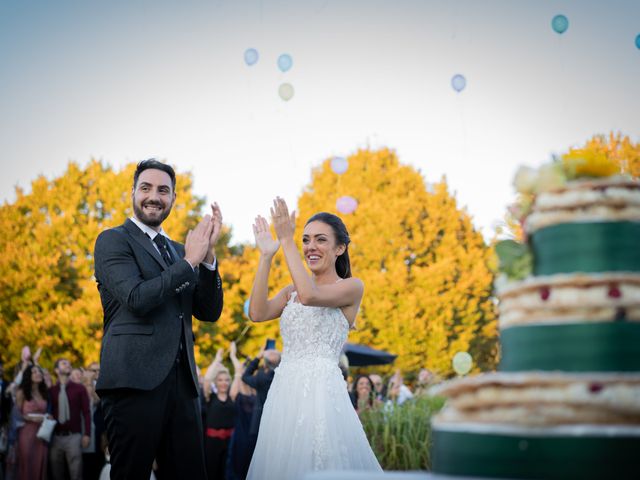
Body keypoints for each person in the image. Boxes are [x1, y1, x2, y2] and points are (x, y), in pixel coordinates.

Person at [93, 159, 224, 480]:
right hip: (133, 382)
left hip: (183, 387)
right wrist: (190, 260)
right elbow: (137, 298)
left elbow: (209, 312)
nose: (154, 196)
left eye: (163, 190)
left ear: (173, 199)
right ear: (133, 193)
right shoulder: (112, 240)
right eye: (146, 188)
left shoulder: (183, 251)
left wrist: (207, 260)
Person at [245, 198, 382, 479]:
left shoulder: (352, 288)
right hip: (284, 391)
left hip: (322, 393)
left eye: (320, 240)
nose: (310, 247)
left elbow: (310, 297)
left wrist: (287, 240)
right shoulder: (289, 292)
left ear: (339, 248)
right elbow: (257, 313)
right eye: (305, 240)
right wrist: (267, 256)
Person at [49, 358, 91, 480]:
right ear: (56, 370)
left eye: (68, 363)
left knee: (76, 473)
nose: (68, 365)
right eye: (64, 363)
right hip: (55, 437)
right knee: (56, 474)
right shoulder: (51, 391)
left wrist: (87, 434)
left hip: (74, 437)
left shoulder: (79, 389)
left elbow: (87, 413)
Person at [15, 365, 49, 480]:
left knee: (40, 462)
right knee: (27, 462)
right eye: (34, 372)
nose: (38, 373)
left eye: (39, 371)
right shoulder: (22, 392)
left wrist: (48, 416)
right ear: (28, 376)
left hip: (42, 434)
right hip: (26, 433)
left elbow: (47, 411)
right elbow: (16, 415)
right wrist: (31, 418)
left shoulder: (44, 392)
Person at [203, 368, 236, 480]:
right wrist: (217, 360)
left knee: (225, 473)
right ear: (216, 382)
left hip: (229, 442)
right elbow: (207, 380)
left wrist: (233, 356)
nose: (224, 383)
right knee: (211, 472)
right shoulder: (210, 397)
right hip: (212, 442)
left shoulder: (232, 396)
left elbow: (239, 375)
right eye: (220, 380)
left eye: (226, 380)